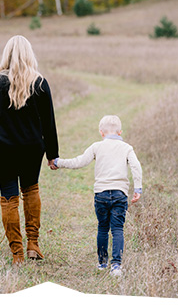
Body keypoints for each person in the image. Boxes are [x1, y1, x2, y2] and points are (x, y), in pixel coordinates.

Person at [0, 35, 58, 264]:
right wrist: (52, 154)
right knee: (31, 191)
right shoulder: (40, 83)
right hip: (31, 148)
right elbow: (49, 122)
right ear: (29, 54)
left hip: (2, 148)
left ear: (7, 54)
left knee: (9, 198)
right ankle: (33, 244)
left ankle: (17, 254)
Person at [52, 115, 144, 277]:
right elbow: (136, 167)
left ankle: (102, 262)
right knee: (117, 229)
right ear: (120, 132)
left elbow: (79, 162)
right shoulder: (127, 148)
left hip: (101, 194)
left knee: (102, 228)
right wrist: (138, 188)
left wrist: (59, 162)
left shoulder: (96, 146)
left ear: (101, 132)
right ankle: (116, 266)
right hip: (119, 193)